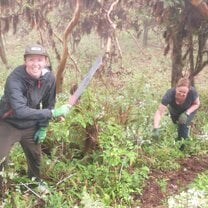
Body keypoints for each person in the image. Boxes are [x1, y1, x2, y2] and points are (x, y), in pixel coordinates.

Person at [0, 43, 70, 193]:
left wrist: (43, 126)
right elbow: (19, 111)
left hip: (30, 123)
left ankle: (34, 183)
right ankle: (2, 184)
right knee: (0, 155)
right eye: (31, 59)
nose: (35, 64)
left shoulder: (49, 78)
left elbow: (49, 104)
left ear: (45, 61)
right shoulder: (15, 79)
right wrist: (52, 114)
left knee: (35, 156)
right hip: (8, 122)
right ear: (25, 61)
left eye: (39, 60)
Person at [153, 77, 200, 150]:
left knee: (182, 123)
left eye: (184, 93)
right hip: (174, 110)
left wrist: (187, 113)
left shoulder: (192, 93)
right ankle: (180, 137)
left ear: (188, 91)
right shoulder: (169, 94)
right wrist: (155, 128)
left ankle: (182, 148)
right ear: (176, 88)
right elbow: (159, 112)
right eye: (180, 91)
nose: (181, 94)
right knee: (176, 123)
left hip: (189, 110)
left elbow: (197, 104)